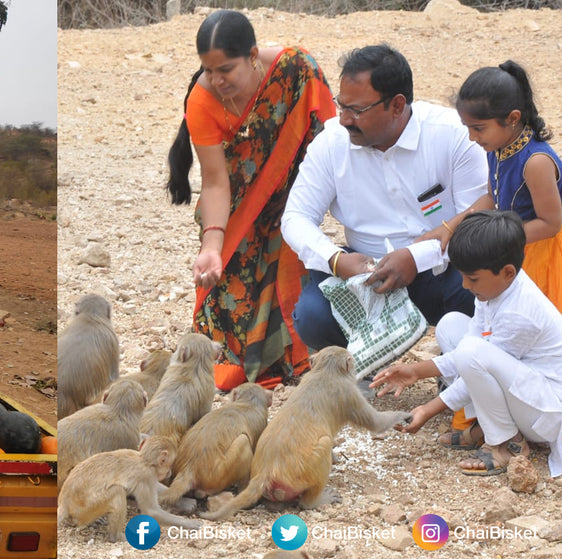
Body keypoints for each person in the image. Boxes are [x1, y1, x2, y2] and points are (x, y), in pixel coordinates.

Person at [165, 10, 335, 391]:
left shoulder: (298, 72)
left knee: (293, 268)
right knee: (229, 288)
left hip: (296, 197)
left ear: (253, 55)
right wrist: (212, 244)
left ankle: (298, 357)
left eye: (226, 69)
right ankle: (257, 361)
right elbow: (214, 181)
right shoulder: (202, 101)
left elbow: (330, 143)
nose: (216, 80)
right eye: (208, 71)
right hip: (239, 206)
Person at [280, 44, 485, 353]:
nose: (345, 119)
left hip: (443, 267)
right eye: (342, 106)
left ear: (398, 105)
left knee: (486, 286)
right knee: (312, 316)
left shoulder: (452, 134)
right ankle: (352, 378)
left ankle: (459, 370)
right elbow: (295, 217)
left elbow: (479, 217)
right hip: (364, 275)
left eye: (357, 110)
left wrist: (417, 258)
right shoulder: (331, 143)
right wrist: (337, 260)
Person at [370, 210, 562, 477]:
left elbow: (474, 359)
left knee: (473, 353)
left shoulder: (519, 313)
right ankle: (489, 424)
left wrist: (429, 408)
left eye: (472, 279)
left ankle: (506, 442)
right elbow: (470, 349)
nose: (464, 285)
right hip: (526, 394)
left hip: (547, 413)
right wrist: (417, 371)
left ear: (507, 272)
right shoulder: (495, 290)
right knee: (451, 325)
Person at [436, 61, 562, 313]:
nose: (472, 137)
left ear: (512, 118)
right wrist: (454, 223)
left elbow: (551, 223)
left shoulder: (535, 162)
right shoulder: (497, 145)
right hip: (515, 245)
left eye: (478, 128)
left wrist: (497, 241)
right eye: (468, 128)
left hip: (542, 253)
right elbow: (494, 197)